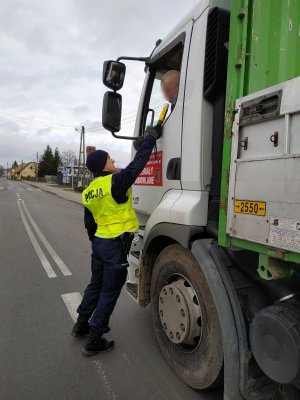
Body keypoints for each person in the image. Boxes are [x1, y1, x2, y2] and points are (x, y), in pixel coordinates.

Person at [71, 123, 163, 356]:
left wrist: (96, 243)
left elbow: (89, 223)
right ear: (102, 164)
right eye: (109, 159)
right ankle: (94, 339)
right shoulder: (115, 182)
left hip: (100, 243)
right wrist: (151, 138)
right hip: (114, 246)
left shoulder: (90, 190)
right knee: (109, 291)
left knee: (96, 284)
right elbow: (137, 166)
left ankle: (81, 324)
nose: (113, 160)